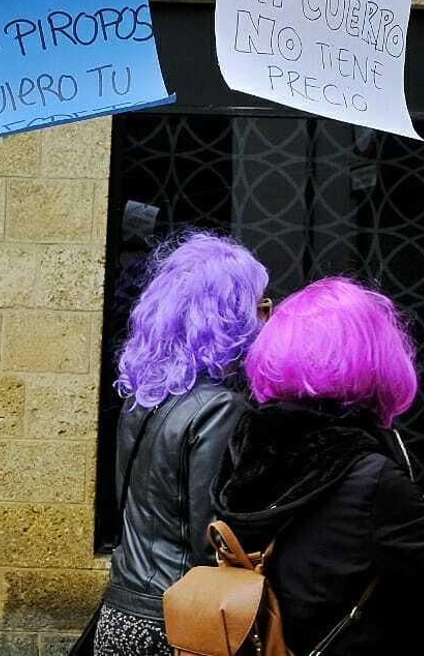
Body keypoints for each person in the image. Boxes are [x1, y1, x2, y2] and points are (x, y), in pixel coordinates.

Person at [211, 277, 424, 656]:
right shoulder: (369, 478)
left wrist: (414, 522)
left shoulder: (250, 447)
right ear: (376, 357)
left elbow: (328, 547)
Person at [94, 231, 270, 656]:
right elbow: (210, 538)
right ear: (231, 316)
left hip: (121, 613)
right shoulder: (220, 408)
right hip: (174, 623)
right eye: (261, 305)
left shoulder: (145, 398)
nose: (269, 316)